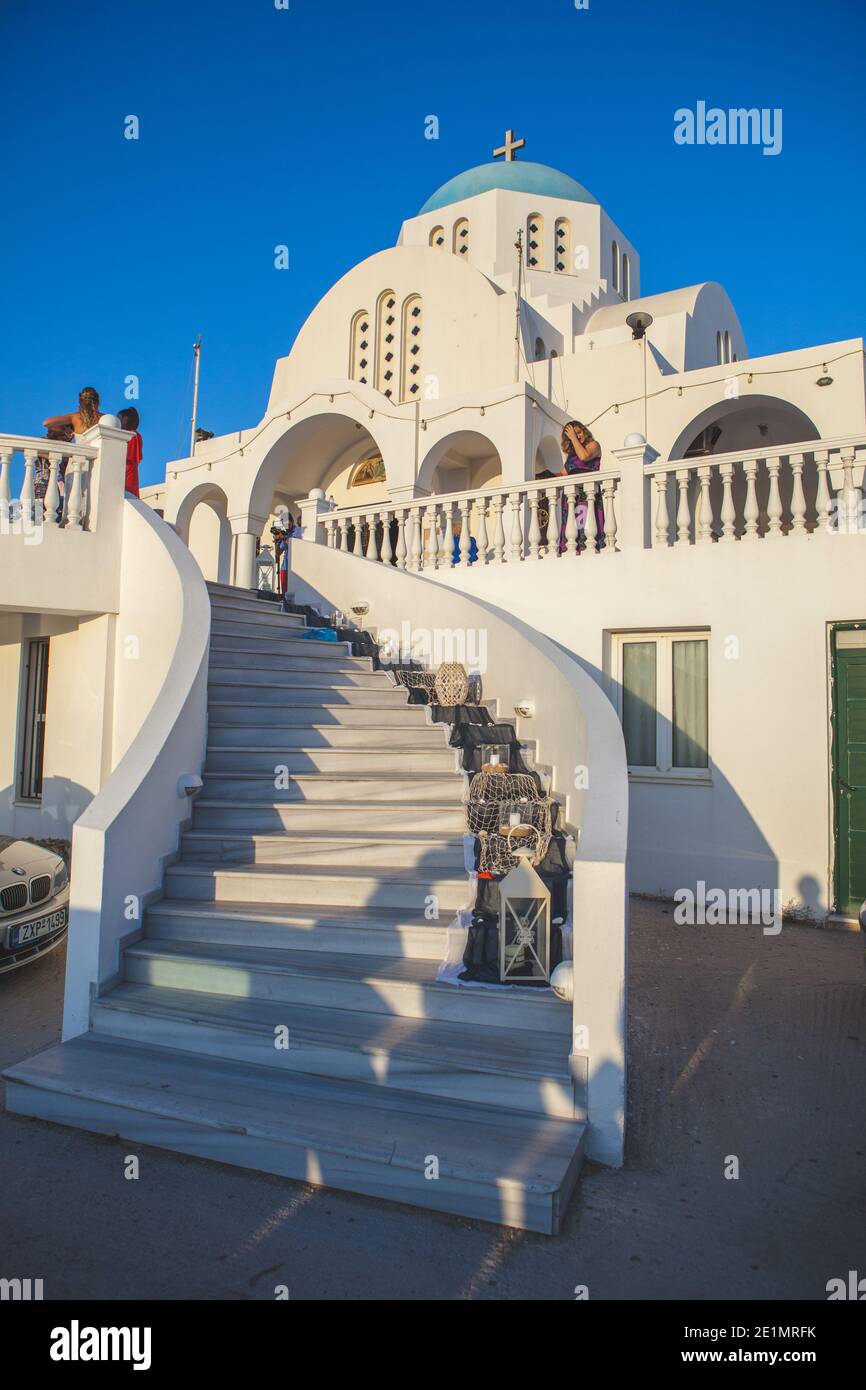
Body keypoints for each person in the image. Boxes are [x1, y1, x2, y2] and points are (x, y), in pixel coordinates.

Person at [558, 420, 603, 552]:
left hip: (587, 496)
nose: (578, 436)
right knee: (572, 532)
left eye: (579, 432)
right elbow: (563, 473)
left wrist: (572, 437)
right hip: (572, 497)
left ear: (584, 431)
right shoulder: (572, 456)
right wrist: (544, 475)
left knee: (588, 530)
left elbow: (584, 456)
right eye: (574, 434)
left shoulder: (594, 445)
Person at [117, 407, 143, 497]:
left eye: (118, 418)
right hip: (127, 472)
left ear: (125, 419)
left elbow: (127, 457)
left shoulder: (133, 435)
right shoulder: (134, 435)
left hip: (127, 473)